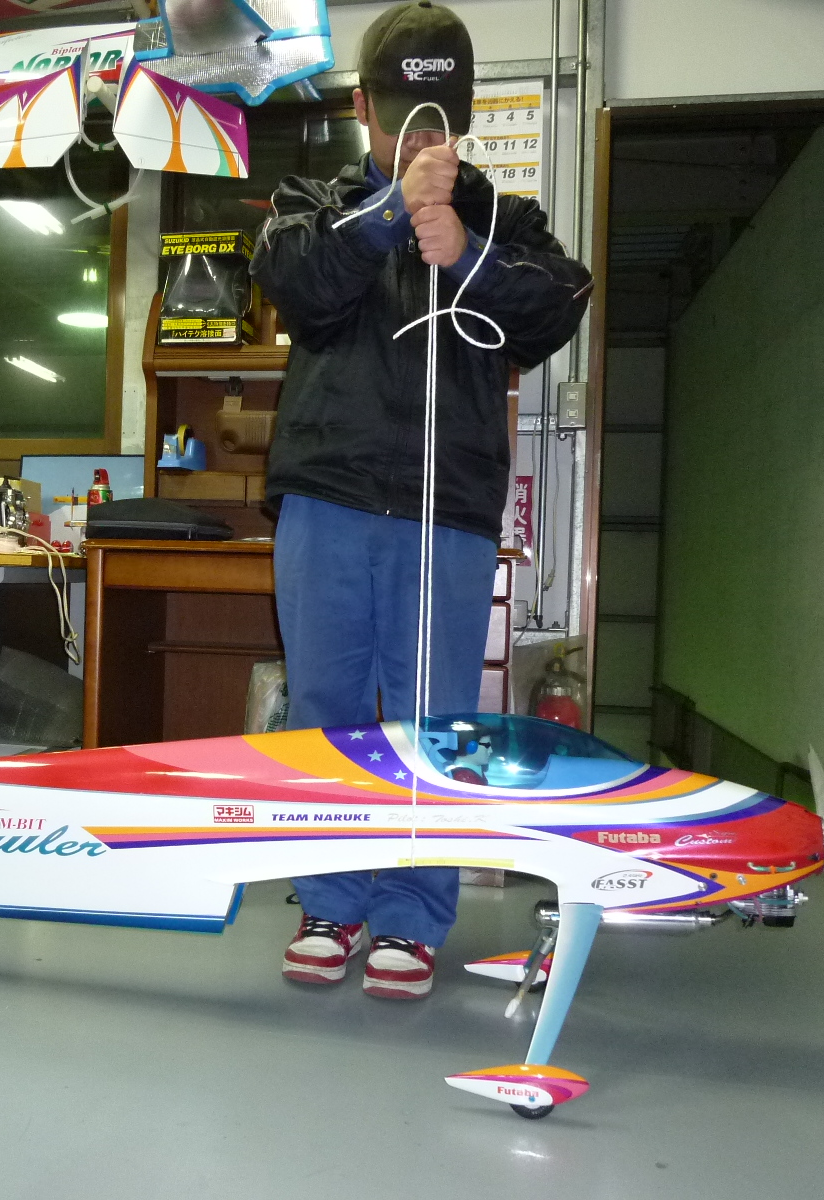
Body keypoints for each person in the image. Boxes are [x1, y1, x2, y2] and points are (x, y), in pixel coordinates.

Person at [251, 1, 591, 1000]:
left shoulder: (506, 222)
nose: (417, 137)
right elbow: (297, 283)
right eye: (401, 115)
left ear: (466, 114)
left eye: (436, 118)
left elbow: (558, 305)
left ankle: (409, 915)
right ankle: (330, 901)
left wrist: (467, 254)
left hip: (449, 512)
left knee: (434, 722)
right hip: (328, 498)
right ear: (362, 106)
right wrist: (391, 216)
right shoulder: (312, 202)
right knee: (325, 713)